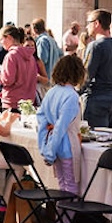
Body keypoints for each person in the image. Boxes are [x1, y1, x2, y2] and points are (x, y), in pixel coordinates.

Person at [36, 54, 87, 203]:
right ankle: (66, 222)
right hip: (67, 145)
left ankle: (61, 220)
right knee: (71, 185)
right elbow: (61, 126)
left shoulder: (52, 92)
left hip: (54, 144)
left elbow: (42, 122)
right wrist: (49, 152)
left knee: (62, 184)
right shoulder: (71, 96)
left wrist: (46, 148)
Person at [80, 9, 112, 128]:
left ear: (96, 23)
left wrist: (75, 92)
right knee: (106, 137)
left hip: (96, 98)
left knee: (95, 139)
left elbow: (86, 75)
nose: (87, 26)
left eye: (89, 22)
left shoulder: (95, 46)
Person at [0, 24, 40, 112]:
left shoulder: (11, 55)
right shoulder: (31, 57)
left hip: (12, 101)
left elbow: (8, 80)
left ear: (8, 37)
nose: (1, 43)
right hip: (28, 101)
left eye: (1, 39)